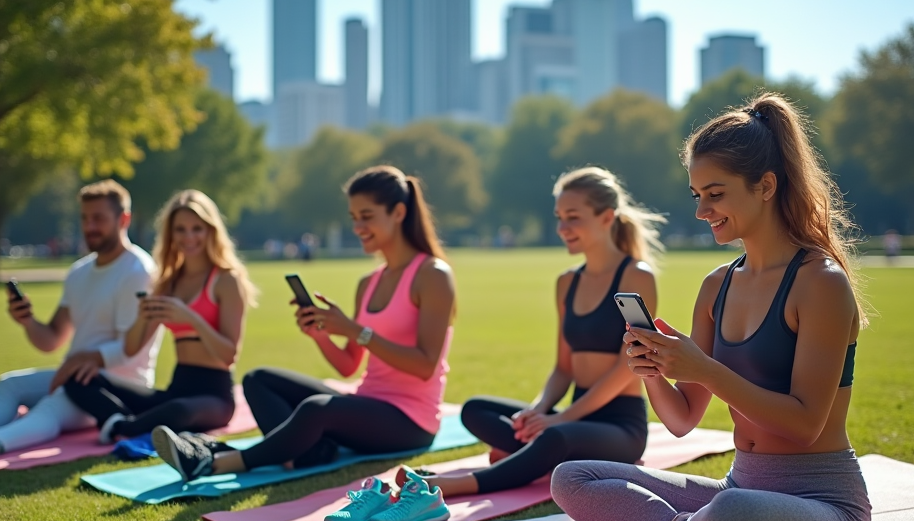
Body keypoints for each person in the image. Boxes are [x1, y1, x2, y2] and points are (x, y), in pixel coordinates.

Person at [551, 93, 871, 521]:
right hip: (736, 487)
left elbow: (805, 424)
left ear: (765, 186)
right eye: (697, 194)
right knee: (573, 477)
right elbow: (681, 420)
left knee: (731, 515)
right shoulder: (716, 286)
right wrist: (653, 369)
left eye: (715, 194)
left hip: (824, 505)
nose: (702, 210)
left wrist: (704, 369)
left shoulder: (820, 282)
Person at [150, 166, 456, 497]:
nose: (358, 227)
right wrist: (323, 334)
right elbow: (348, 366)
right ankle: (307, 453)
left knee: (318, 408)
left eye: (366, 216)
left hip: (411, 420)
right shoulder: (369, 283)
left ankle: (215, 462)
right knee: (258, 379)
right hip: (367, 403)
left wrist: (355, 330)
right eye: (354, 217)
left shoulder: (433, 275)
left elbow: (425, 365)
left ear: (398, 212)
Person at [414, 167, 663, 500]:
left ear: (606, 217)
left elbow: (627, 368)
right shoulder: (566, 283)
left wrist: (559, 420)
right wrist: (538, 410)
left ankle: (461, 484)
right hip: (572, 416)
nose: (563, 228)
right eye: (559, 217)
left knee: (554, 439)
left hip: (620, 427)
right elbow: (563, 367)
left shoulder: (636, 276)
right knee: (475, 409)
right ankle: (537, 457)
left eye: (573, 217)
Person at [0, 180, 160, 468]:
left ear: (124, 219)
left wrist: (79, 361)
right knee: (9, 384)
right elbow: (51, 338)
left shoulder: (138, 271)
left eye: (99, 218)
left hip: (116, 387)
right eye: (85, 218)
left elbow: (132, 347)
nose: (90, 226)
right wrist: (27, 321)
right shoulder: (80, 271)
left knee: (51, 407)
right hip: (72, 375)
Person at [63, 190, 256, 443]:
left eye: (197, 228)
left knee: (177, 412)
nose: (189, 237)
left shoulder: (227, 280)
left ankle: (124, 426)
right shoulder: (168, 283)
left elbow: (229, 355)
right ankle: (122, 422)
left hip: (214, 397)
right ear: (171, 234)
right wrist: (143, 316)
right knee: (77, 378)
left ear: (210, 230)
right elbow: (131, 348)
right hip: (177, 389)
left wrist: (192, 318)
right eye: (180, 230)